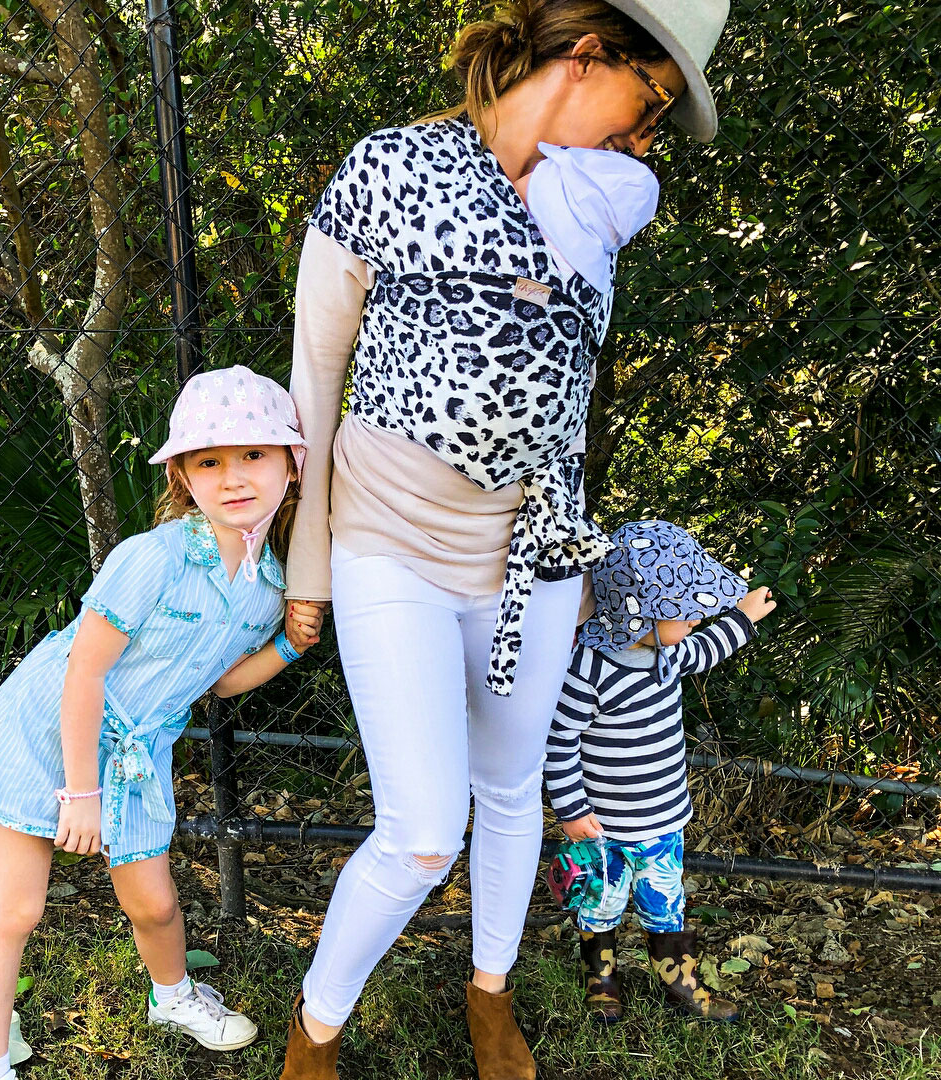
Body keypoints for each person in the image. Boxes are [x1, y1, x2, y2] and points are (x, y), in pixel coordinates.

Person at [279, 0, 731, 1076]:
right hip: (390, 537)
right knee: (426, 827)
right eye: (650, 100)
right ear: (586, 58)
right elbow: (316, 371)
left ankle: (490, 996)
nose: (645, 136)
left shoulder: (595, 210)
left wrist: (573, 565)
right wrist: (308, 564)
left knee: (511, 788)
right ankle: (314, 1027)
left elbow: (565, 399)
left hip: (530, 556)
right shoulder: (392, 167)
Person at [0, 366, 324, 1080]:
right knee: (18, 908)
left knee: (155, 904)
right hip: (50, 733)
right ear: (185, 476)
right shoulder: (150, 560)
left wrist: (287, 645)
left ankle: (174, 995)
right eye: (209, 460)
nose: (234, 475)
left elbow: (217, 682)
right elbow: (83, 673)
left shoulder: (270, 584)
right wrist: (80, 791)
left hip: (139, 749)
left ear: (291, 464)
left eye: (255, 454)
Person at [545, 519, 776, 1022]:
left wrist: (743, 616)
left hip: (662, 825)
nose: (696, 619)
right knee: (599, 908)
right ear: (640, 614)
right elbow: (560, 742)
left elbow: (708, 649)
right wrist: (571, 810)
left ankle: (680, 984)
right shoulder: (587, 669)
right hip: (602, 829)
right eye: (686, 611)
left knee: (666, 906)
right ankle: (601, 982)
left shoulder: (665, 653)